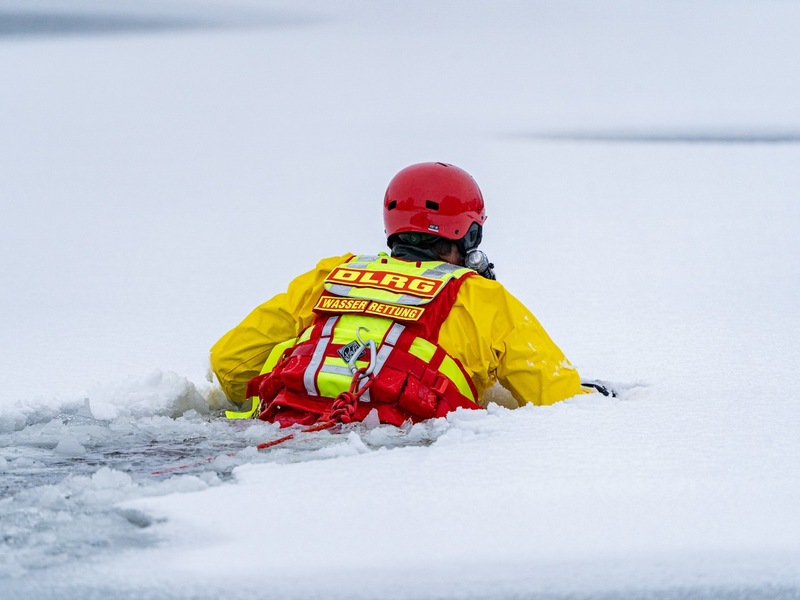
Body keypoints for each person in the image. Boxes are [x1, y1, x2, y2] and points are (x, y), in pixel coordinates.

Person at [210, 162, 589, 427]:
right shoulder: (484, 299)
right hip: (401, 451)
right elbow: (560, 402)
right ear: (471, 235)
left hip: (283, 427)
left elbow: (229, 363)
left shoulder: (332, 275)